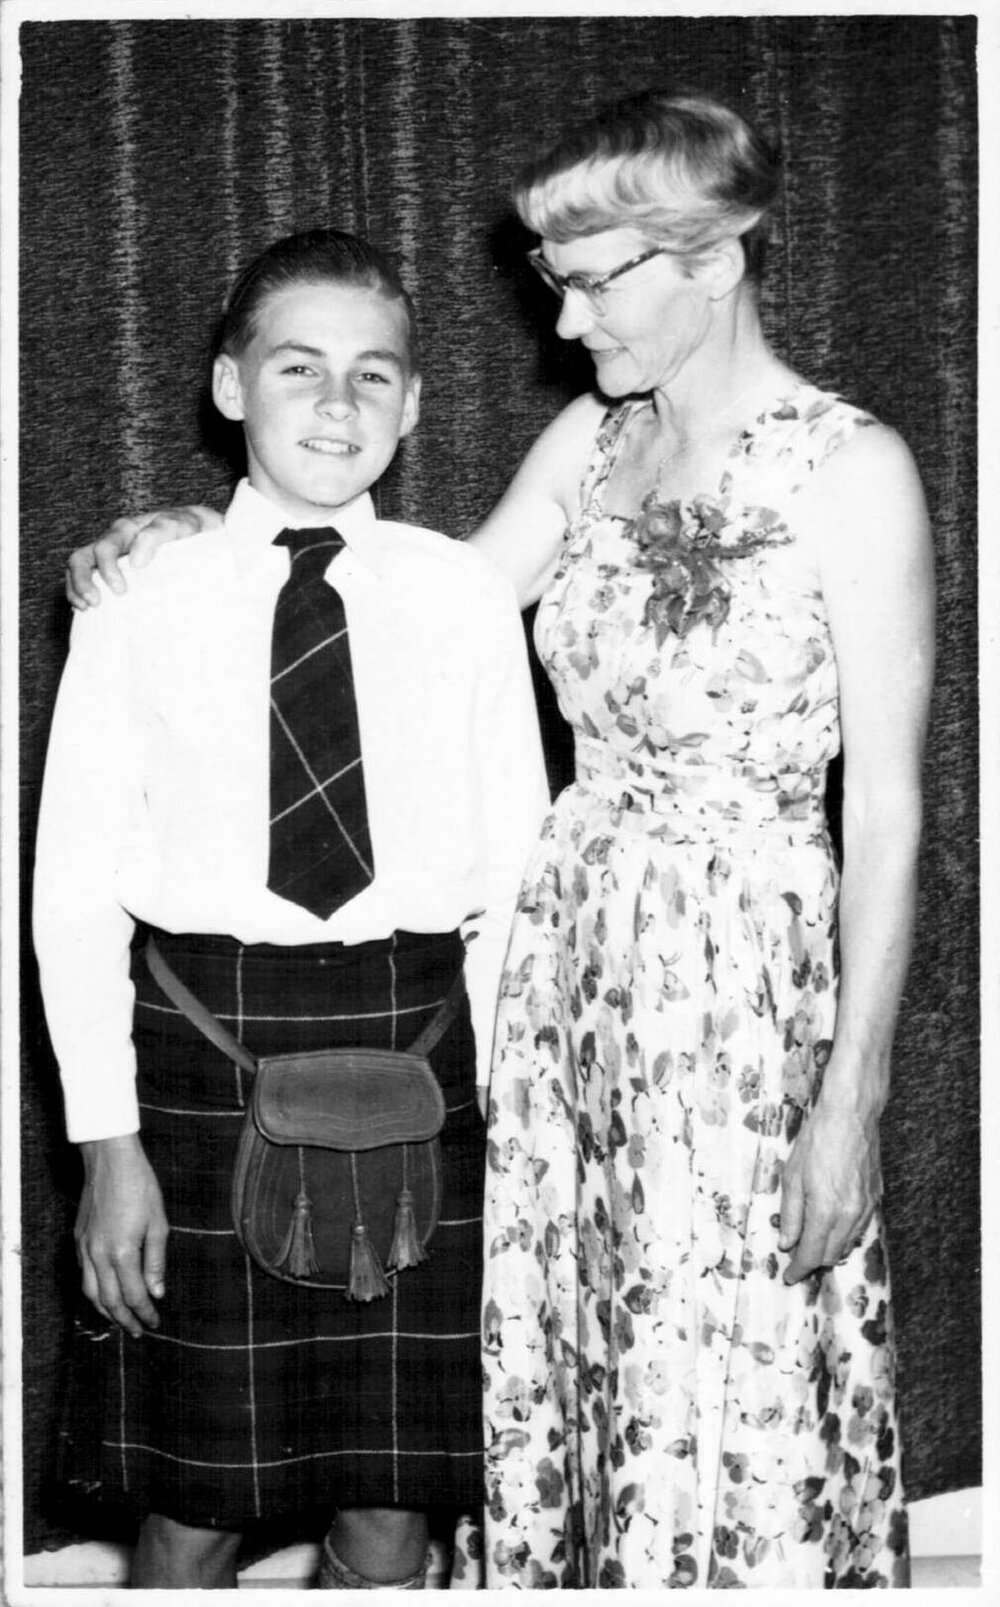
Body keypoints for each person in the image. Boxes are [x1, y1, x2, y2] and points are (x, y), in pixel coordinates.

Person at [65, 90, 933, 1590]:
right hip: (554, 986)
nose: (566, 321)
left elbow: (891, 808)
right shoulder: (592, 441)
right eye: (555, 281)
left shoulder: (850, 470)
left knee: (725, 1376)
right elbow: (409, 607)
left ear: (714, 260)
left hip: (731, 999)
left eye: (593, 283)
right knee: (578, 1367)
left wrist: (852, 1097)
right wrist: (199, 543)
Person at [36, 227, 549, 1589]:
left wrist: (508, 1121)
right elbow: (72, 896)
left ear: (416, 403)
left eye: (374, 374)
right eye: (298, 368)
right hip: (201, 1057)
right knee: (194, 1503)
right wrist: (107, 1149)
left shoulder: (463, 596)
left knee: (394, 1505)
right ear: (228, 386)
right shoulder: (140, 595)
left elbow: (515, 884)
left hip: (422, 1058)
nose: (338, 403)